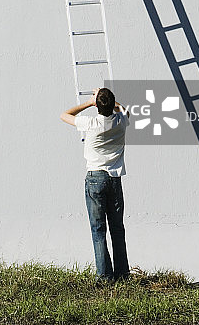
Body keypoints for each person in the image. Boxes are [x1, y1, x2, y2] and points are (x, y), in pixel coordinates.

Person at [60, 87, 130, 282]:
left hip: (95, 178)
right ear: (113, 104)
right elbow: (124, 110)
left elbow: (64, 115)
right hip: (114, 179)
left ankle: (105, 277)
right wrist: (109, 101)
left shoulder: (90, 123)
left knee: (98, 229)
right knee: (117, 229)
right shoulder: (121, 121)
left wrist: (89, 102)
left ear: (97, 106)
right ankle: (122, 275)